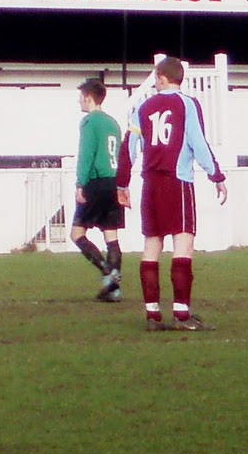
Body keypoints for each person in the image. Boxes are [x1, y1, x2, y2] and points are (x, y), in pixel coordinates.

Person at [115, 56, 227, 331]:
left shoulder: (142, 107)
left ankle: (153, 315)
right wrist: (216, 175)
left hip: (150, 184)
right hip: (177, 183)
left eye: (156, 77)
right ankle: (181, 314)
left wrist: (122, 184)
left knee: (151, 246)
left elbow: (129, 147)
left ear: (163, 77)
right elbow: (198, 143)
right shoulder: (187, 104)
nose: (154, 82)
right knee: (183, 244)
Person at [71, 78, 125, 302]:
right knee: (111, 237)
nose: (78, 101)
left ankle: (107, 272)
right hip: (114, 182)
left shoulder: (89, 121)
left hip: (96, 182)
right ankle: (114, 292)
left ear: (89, 98)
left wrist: (80, 184)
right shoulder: (113, 122)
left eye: (80, 97)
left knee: (77, 234)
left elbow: (86, 155)